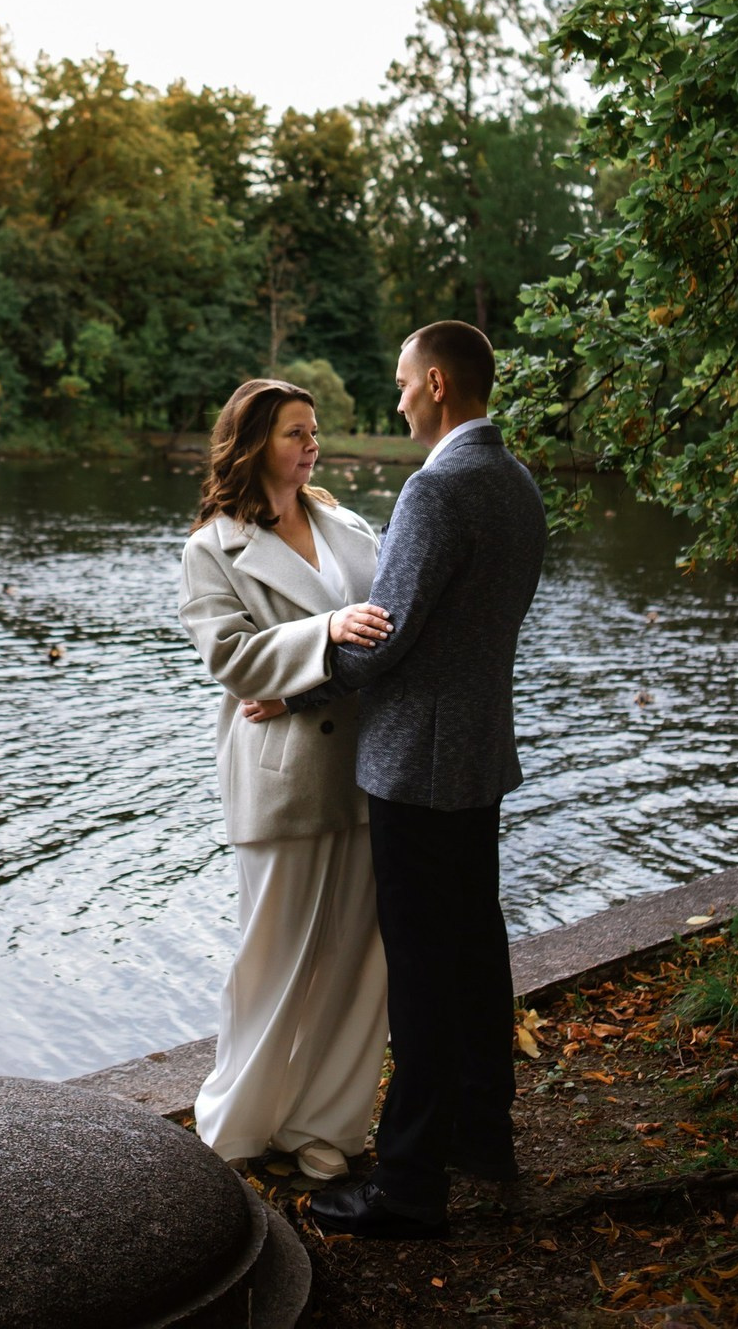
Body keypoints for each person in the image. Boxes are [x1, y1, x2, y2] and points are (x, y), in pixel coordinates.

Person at [273, 321, 548, 1240]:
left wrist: (297, 683)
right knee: (475, 953)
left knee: (423, 973)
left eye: (401, 383)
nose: (395, 400)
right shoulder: (516, 482)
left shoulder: (437, 488)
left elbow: (386, 636)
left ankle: (409, 1186)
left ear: (435, 384)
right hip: (477, 754)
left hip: (416, 765)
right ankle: (482, 1135)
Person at [179, 377, 393, 1183]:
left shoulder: (349, 527)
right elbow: (232, 660)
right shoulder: (213, 548)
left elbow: (394, 630)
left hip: (367, 768)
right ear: (254, 444)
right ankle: (236, 1127)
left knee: (357, 964)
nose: (312, 445)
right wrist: (328, 631)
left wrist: (307, 673)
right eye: (294, 432)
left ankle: (325, 1129)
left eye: (314, 430)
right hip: (283, 776)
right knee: (271, 962)